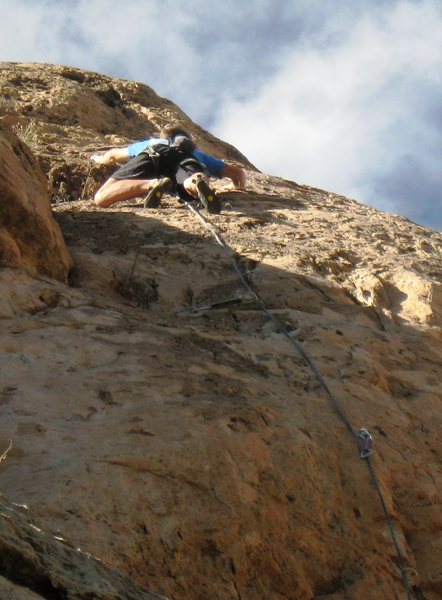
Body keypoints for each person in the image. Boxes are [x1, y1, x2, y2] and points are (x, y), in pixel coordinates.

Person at [92, 124, 246, 214]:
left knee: (101, 197)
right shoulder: (195, 152)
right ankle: (197, 181)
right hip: (186, 159)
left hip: (153, 154)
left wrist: (100, 159)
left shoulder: (152, 142)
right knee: (189, 178)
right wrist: (236, 186)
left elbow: (113, 155)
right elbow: (237, 173)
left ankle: (153, 184)